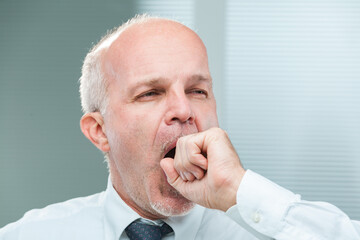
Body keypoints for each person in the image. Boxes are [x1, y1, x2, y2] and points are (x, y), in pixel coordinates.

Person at [1, 14, 359, 240]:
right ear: (99, 131)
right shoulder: (30, 235)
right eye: (151, 93)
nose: (184, 110)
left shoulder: (268, 230)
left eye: (197, 91)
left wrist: (237, 189)